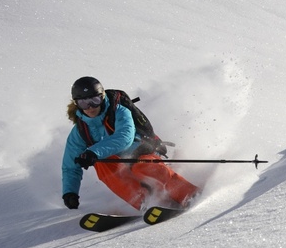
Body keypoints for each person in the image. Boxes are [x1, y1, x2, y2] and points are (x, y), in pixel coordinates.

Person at [61, 76, 199, 211]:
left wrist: (93, 152)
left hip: (142, 151)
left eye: (95, 100)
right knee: (100, 164)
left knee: (142, 167)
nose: (90, 107)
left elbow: (124, 138)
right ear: (76, 104)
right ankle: (146, 202)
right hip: (118, 164)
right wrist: (70, 192)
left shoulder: (120, 112)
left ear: (102, 98)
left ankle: (187, 194)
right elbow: (70, 164)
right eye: (84, 103)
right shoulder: (80, 130)